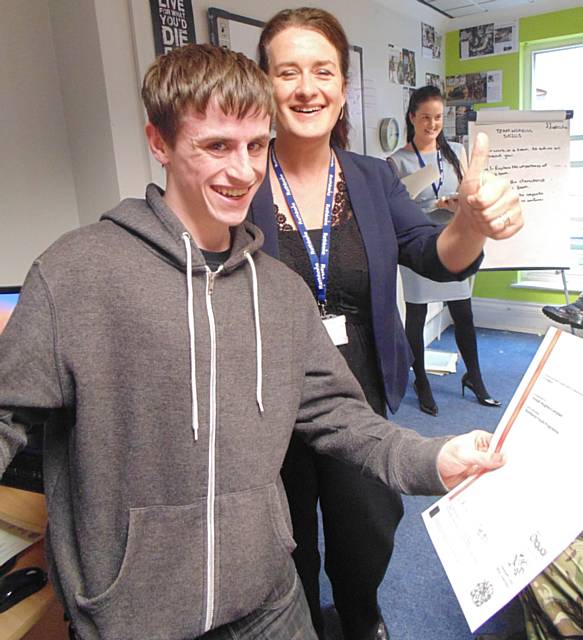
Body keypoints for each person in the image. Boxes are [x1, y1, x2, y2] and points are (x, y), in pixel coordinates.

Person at [0, 43, 506, 640]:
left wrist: (433, 457)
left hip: (271, 602)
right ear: (159, 142)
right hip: (134, 615)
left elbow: (341, 415)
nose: (243, 171)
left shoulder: (280, 289)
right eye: (216, 146)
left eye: (257, 145)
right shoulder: (77, 276)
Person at [248, 9, 522, 640]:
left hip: (359, 392)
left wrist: (471, 227)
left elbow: (432, 253)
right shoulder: (241, 179)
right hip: (265, 402)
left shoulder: (371, 178)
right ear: (266, 84)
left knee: (365, 527)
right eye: (287, 71)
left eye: (323, 71)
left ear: (343, 86)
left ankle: (362, 615)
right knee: (284, 540)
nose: (306, 87)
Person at [390, 85, 500, 417]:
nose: (432, 124)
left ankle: (475, 377)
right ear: (411, 118)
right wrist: (431, 205)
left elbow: (470, 192)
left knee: (463, 314)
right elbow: (398, 210)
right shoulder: (397, 160)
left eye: (438, 117)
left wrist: (459, 205)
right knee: (418, 314)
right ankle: (421, 380)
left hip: (451, 243)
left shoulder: (455, 151)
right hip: (417, 246)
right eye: (425, 118)